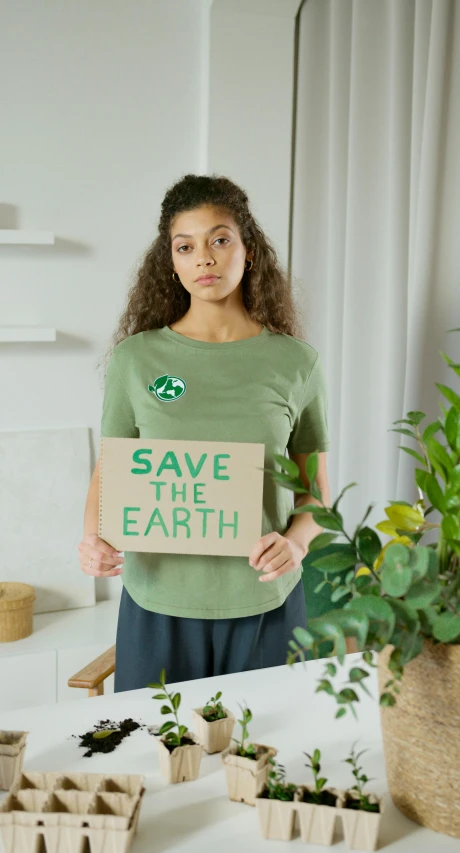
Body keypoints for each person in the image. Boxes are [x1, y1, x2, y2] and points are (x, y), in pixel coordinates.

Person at [78, 173, 331, 691]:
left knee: (262, 757)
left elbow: (317, 493)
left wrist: (298, 544)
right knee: (160, 758)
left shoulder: (295, 362)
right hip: (157, 602)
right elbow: (114, 467)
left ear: (249, 250)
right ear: (170, 263)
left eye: (220, 239)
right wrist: (93, 538)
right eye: (185, 246)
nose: (205, 258)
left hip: (265, 600)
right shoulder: (137, 359)